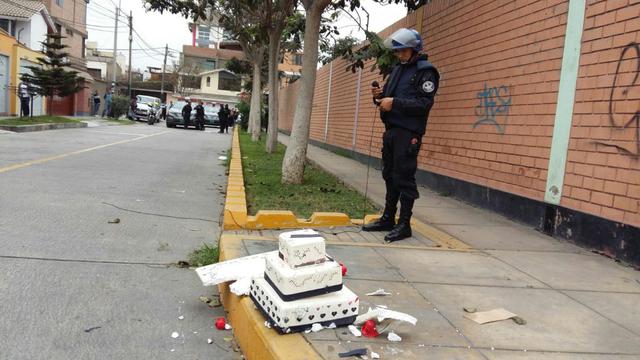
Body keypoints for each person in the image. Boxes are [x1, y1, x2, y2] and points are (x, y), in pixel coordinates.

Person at [362, 28, 440, 243]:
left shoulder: (426, 71)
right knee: (389, 174)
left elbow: (424, 104)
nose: (399, 54)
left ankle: (404, 224)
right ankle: (388, 217)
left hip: (409, 133)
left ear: (414, 49)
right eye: (397, 51)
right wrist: (379, 98)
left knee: (404, 177)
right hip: (392, 131)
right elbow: (386, 99)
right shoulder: (398, 69)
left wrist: (395, 102)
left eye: (402, 50)